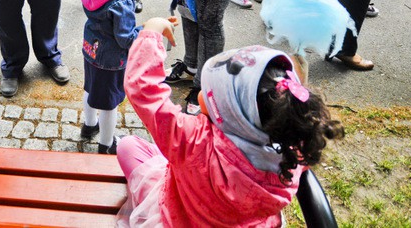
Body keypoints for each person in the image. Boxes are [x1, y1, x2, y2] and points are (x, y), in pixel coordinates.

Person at [116, 18, 344, 227]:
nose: (199, 95)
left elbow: (143, 90)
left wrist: (152, 31)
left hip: (180, 218)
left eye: (208, 93)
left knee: (127, 146)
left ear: (234, 119)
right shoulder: (292, 149)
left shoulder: (192, 141)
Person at [77, 0, 145, 154]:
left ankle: (89, 126)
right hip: (110, 59)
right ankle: (106, 144)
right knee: (109, 104)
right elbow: (126, 38)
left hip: (91, 48)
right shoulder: (121, 0)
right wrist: (146, 32)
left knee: (90, 88)